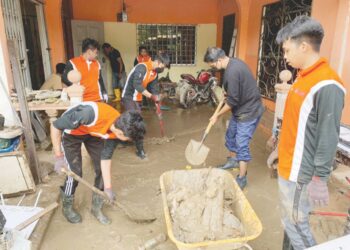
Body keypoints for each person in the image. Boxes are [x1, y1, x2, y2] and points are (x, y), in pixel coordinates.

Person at [275, 16, 346, 250]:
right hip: (287, 165)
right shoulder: (302, 76)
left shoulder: (327, 84)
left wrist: (320, 178)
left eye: (287, 50)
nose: (284, 57)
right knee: (289, 220)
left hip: (300, 174)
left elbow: (328, 136)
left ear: (303, 46)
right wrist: (278, 146)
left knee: (296, 223)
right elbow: (298, 123)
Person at [51, 101, 145, 225]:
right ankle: (67, 207)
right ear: (120, 133)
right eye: (127, 139)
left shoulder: (116, 132)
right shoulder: (87, 114)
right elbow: (55, 126)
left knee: (100, 170)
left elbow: (105, 159)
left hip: (92, 133)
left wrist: (108, 188)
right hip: (72, 134)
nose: (127, 141)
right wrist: (59, 157)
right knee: (75, 172)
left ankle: (96, 208)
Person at [204, 47, 264, 190]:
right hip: (240, 109)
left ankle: (242, 178)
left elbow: (232, 102)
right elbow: (230, 92)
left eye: (213, 66)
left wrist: (217, 115)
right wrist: (226, 91)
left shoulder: (232, 71)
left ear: (218, 60)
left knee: (241, 144)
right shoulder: (232, 63)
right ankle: (233, 161)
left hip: (249, 112)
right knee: (230, 135)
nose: (213, 69)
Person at [121, 52, 170, 159]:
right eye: (163, 66)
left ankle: (125, 139)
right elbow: (137, 85)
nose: (163, 69)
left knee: (132, 121)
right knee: (137, 122)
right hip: (128, 96)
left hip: (138, 98)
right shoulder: (142, 67)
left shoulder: (155, 74)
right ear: (158, 62)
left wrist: (157, 103)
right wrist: (152, 97)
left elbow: (154, 89)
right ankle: (140, 150)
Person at [62, 38, 108, 102]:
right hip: (81, 99)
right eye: (96, 52)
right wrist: (77, 87)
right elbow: (64, 79)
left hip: (97, 98)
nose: (96, 55)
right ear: (89, 52)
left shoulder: (97, 63)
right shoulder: (72, 63)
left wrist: (104, 92)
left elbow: (100, 79)